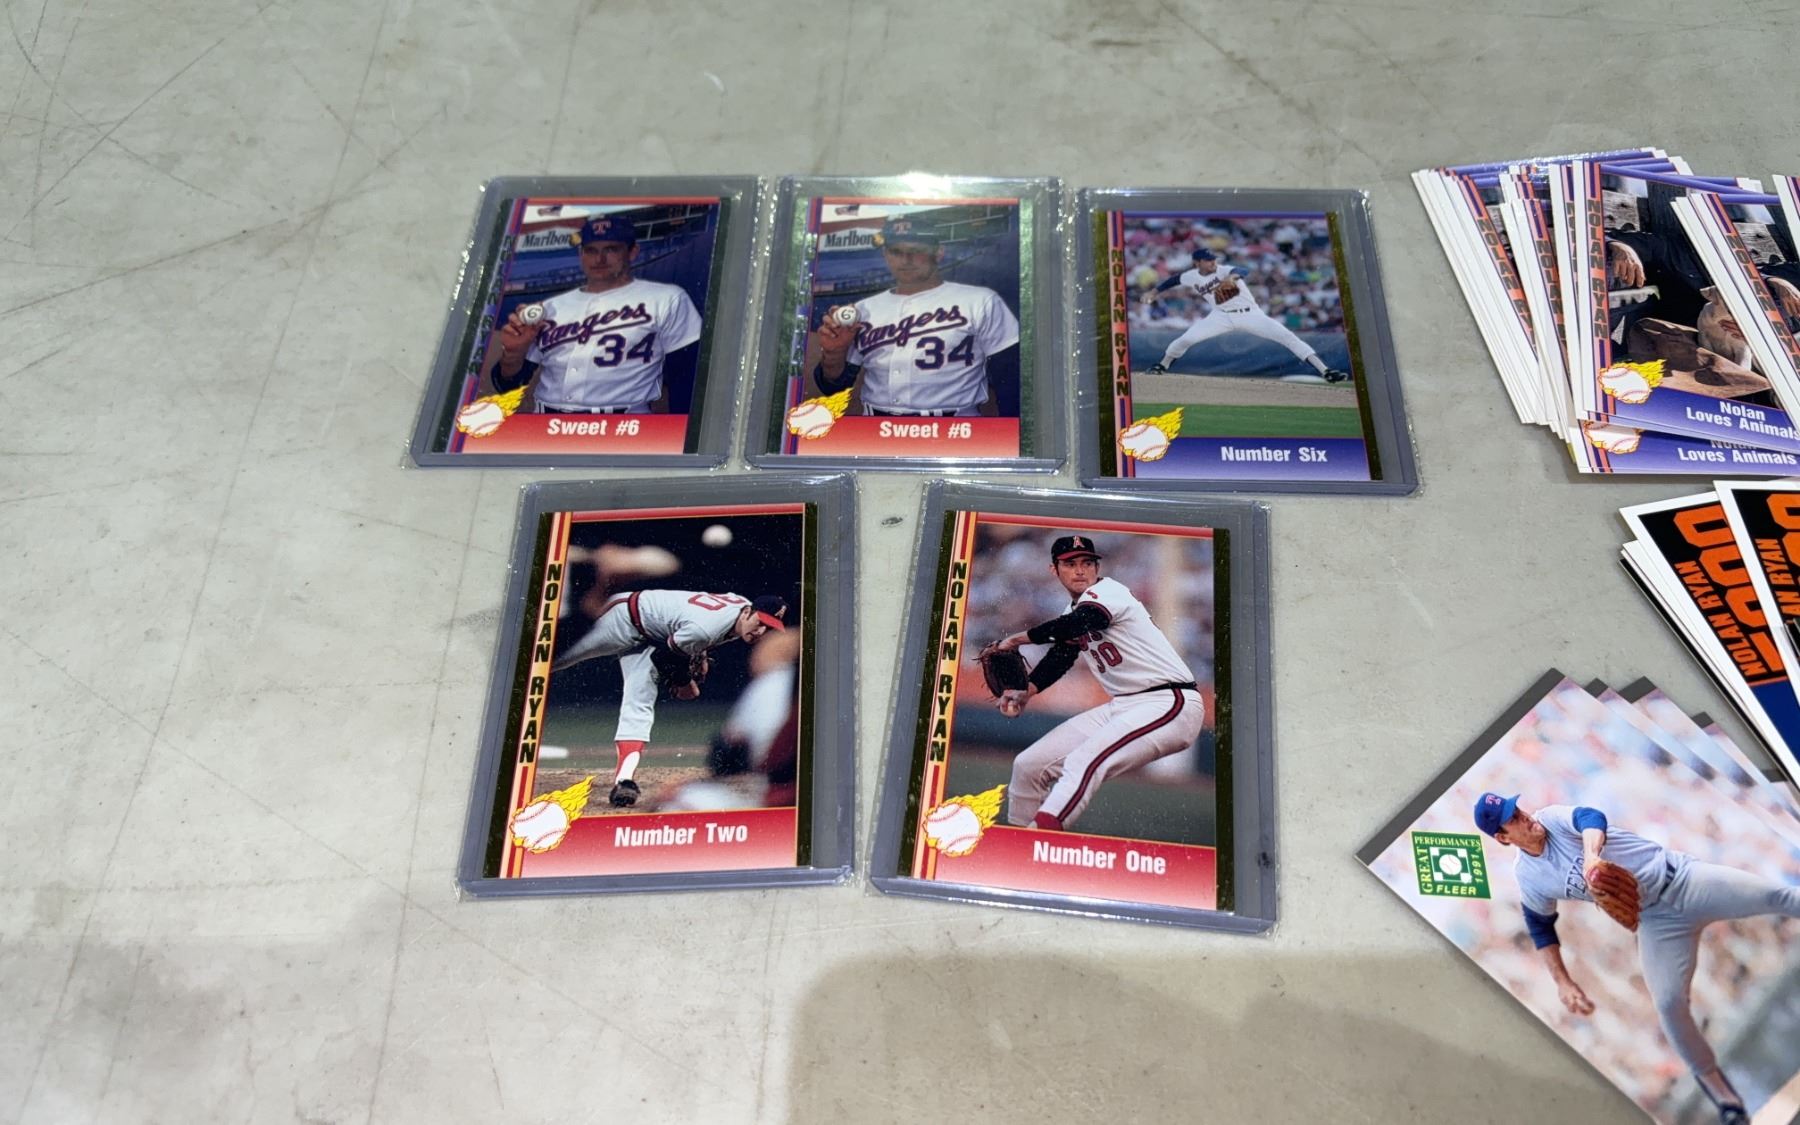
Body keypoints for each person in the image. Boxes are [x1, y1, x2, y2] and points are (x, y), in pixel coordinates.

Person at [1475, 792, 1800, 1124]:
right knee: (1669, 1006)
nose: (1524, 816)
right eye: (1512, 819)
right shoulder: (1529, 876)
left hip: (1684, 879)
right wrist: (1563, 981)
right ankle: (1726, 1100)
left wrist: (1591, 856)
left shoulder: (1551, 818)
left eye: (1518, 809)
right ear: (1503, 838)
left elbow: (1591, 817)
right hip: (1656, 923)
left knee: (1778, 896)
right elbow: (1540, 926)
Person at [987, 536, 1206, 830]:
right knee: (1029, 765)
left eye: (1087, 563)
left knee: (1083, 760)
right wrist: (1027, 690)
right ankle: (1019, 844)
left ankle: (1039, 838)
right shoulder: (1073, 611)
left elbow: (1079, 624)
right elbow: (1062, 656)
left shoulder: (1108, 592)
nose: (1080, 570)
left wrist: (1017, 639)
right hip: (1125, 706)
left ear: (1097, 567)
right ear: (1054, 569)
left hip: (1169, 702)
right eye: (1070, 564)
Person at [551, 589, 788, 807]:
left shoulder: (740, 609)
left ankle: (624, 781)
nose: (760, 631)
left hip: (651, 634)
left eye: (768, 628)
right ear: (747, 612)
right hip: (622, 618)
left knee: (640, 699)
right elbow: (665, 656)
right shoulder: (707, 628)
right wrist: (684, 683)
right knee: (550, 661)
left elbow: (687, 621)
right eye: (759, 622)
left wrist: (698, 652)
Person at [485, 213, 703, 414]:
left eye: (611, 249)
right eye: (591, 250)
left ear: (633, 252)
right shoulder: (550, 308)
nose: (599, 259)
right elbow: (507, 386)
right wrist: (513, 354)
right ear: (581, 254)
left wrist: (682, 437)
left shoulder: (667, 298)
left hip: (625, 427)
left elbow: (688, 379)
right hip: (548, 425)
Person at [808, 212, 1019, 417]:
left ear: (938, 252)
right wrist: (835, 354)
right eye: (896, 251)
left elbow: (1011, 379)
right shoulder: (863, 310)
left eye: (916, 250)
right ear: (885, 255)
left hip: (956, 429)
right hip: (877, 429)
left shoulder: (980, 301)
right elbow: (832, 387)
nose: (905, 260)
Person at [1141, 246, 1349, 382]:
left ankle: (1326, 371)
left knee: (1288, 337)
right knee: (1186, 339)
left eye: (1214, 259)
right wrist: (1153, 292)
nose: (1213, 262)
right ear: (1198, 263)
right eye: (1208, 260)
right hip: (1220, 316)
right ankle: (1162, 365)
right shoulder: (1191, 276)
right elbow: (1173, 281)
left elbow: (1243, 270)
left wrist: (1232, 277)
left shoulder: (1223, 270)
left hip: (1251, 315)